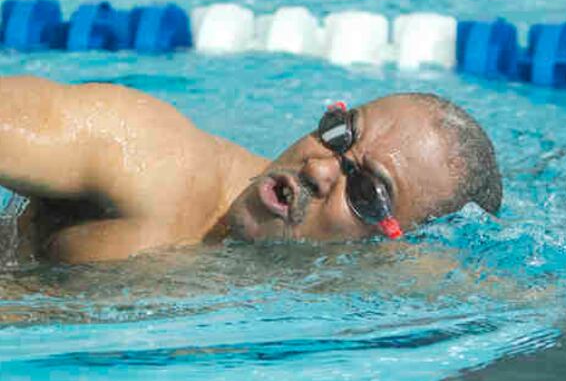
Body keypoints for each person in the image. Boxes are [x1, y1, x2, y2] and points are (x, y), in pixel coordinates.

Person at [0, 76, 502, 263]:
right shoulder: (154, 162)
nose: (322, 169)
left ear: (397, 241)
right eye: (340, 132)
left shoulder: (373, 284)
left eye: (366, 192)